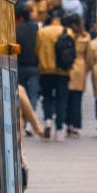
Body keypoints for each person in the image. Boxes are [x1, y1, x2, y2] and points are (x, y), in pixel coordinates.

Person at [36, 9, 70, 138]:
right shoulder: (67, 32)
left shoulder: (41, 32)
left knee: (47, 96)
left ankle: (48, 120)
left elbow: (37, 49)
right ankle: (59, 127)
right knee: (61, 99)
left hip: (45, 70)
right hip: (63, 71)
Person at [62, 16, 91, 138]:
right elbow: (89, 57)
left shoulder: (65, 35)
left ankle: (67, 124)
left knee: (66, 98)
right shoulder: (86, 37)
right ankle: (75, 125)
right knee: (77, 99)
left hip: (67, 67)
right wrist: (87, 69)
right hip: (80, 67)